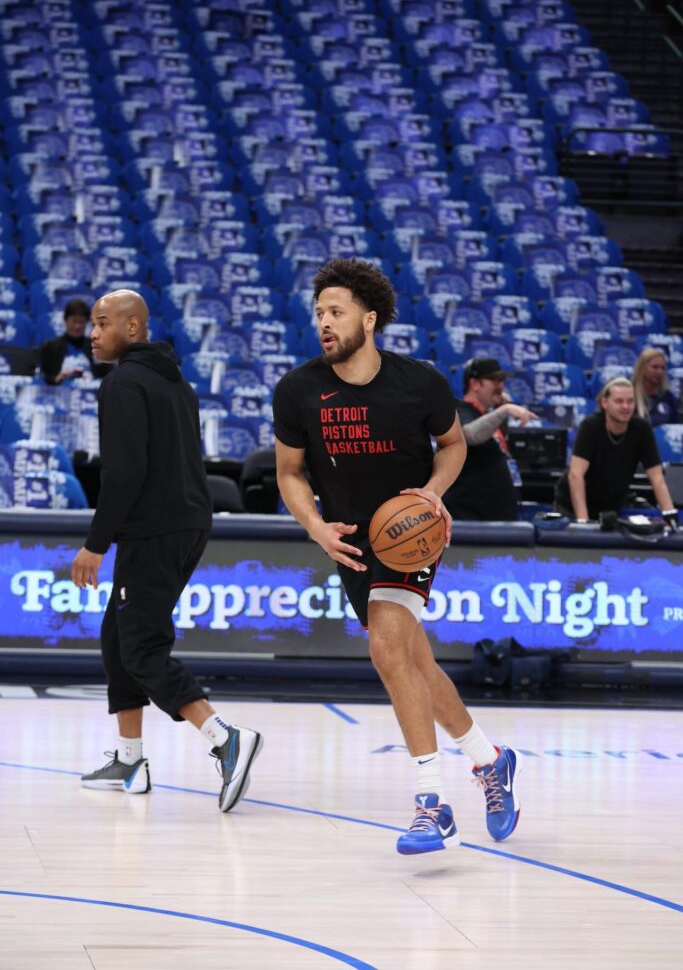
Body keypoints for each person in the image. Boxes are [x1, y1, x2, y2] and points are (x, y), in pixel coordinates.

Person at [273, 258, 522, 857]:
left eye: (335, 312)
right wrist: (314, 527)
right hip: (349, 539)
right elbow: (288, 472)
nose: (324, 323)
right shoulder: (299, 388)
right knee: (412, 661)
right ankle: (490, 761)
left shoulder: (421, 382)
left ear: (370, 318)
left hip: (408, 531)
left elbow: (454, 444)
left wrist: (432, 497)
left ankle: (430, 804)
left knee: (386, 646)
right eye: (319, 313)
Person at [70, 290, 262, 811]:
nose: (93, 333)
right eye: (93, 324)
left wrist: (95, 545)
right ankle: (130, 759)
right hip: (186, 523)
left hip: (153, 530)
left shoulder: (124, 383)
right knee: (118, 636)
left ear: (133, 328)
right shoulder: (177, 383)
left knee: (141, 646)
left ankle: (224, 737)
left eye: (103, 323)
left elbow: (125, 473)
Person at [554, 376, 678, 525]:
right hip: (572, 505)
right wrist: (582, 520)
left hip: (610, 507)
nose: (626, 406)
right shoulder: (590, 426)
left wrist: (669, 514)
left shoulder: (642, 429)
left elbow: (657, 477)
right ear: (605, 403)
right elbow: (575, 475)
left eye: (630, 401)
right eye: (619, 401)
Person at [443, 357, 536, 521]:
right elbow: (469, 434)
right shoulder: (459, 409)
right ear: (475, 384)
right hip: (470, 520)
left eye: (502, 381)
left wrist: (499, 414)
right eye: (494, 380)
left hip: (495, 516)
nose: (500, 386)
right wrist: (504, 410)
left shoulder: (487, 416)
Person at [40, 299, 109, 385]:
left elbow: (105, 376)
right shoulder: (50, 347)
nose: (77, 326)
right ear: (65, 320)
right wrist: (56, 379)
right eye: (74, 321)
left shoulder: (97, 347)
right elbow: (43, 377)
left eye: (81, 322)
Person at [632, 348, 679, 426]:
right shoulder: (629, 394)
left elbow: (674, 427)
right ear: (642, 368)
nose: (660, 372)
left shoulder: (668, 397)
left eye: (663, 368)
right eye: (655, 367)